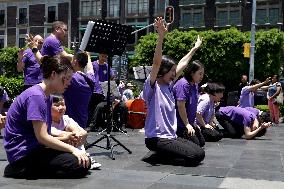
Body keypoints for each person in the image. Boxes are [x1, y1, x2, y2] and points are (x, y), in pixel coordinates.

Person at [3, 56, 90, 179]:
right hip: (23, 155)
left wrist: (65, 137)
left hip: (33, 150)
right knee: (79, 163)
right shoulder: (37, 96)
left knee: (84, 161)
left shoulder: (46, 96)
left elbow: (44, 132)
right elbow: (42, 137)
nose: (69, 83)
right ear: (54, 75)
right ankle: (19, 170)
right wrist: (72, 149)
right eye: (66, 78)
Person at [142, 17, 205, 166]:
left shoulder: (169, 85)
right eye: (170, 70)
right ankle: (158, 155)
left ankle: (161, 154)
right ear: (162, 71)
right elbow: (156, 62)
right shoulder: (152, 87)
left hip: (171, 136)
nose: (174, 73)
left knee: (199, 150)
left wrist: (194, 49)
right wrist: (161, 36)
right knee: (195, 156)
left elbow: (183, 63)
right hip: (156, 139)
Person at [50, 94, 101, 169]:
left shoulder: (66, 118)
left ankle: (83, 155)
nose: (61, 107)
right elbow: (58, 134)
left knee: (74, 131)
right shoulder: (47, 122)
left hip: (71, 144)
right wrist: (68, 137)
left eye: (63, 104)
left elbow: (83, 132)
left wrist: (76, 134)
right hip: (54, 146)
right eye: (56, 105)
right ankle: (80, 157)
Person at [173, 60, 205, 147]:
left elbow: (192, 106)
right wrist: (187, 124)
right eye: (200, 73)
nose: (202, 76)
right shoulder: (183, 84)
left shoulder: (195, 85)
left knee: (201, 143)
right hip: (180, 124)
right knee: (196, 145)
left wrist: (193, 123)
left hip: (189, 123)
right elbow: (181, 106)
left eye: (202, 74)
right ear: (192, 73)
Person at [64, 52, 94, 129]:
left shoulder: (72, 79)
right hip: (83, 119)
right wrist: (88, 57)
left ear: (75, 62)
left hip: (70, 121)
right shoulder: (90, 79)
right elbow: (90, 70)